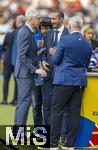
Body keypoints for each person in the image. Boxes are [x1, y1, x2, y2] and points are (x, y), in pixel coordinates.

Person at [50, 16, 92, 150]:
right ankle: (70, 144)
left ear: (69, 26)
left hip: (64, 80)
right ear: (81, 27)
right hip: (79, 81)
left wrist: (54, 53)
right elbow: (86, 63)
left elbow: (55, 60)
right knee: (74, 113)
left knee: (56, 111)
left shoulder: (65, 39)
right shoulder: (87, 43)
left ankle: (53, 144)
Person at [14, 8, 47, 130]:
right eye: (38, 18)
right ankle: (18, 134)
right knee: (25, 103)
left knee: (22, 103)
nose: (40, 20)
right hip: (25, 73)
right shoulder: (25, 32)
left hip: (25, 72)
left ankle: (17, 132)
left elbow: (27, 54)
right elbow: (22, 56)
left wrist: (38, 52)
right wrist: (35, 70)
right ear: (31, 19)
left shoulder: (31, 31)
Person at [42, 10, 69, 143]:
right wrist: (43, 61)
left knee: (62, 107)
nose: (51, 21)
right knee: (46, 106)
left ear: (61, 19)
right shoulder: (48, 34)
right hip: (48, 75)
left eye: (54, 19)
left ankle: (63, 135)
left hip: (63, 77)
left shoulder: (68, 34)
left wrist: (57, 52)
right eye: (51, 19)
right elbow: (44, 52)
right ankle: (47, 134)